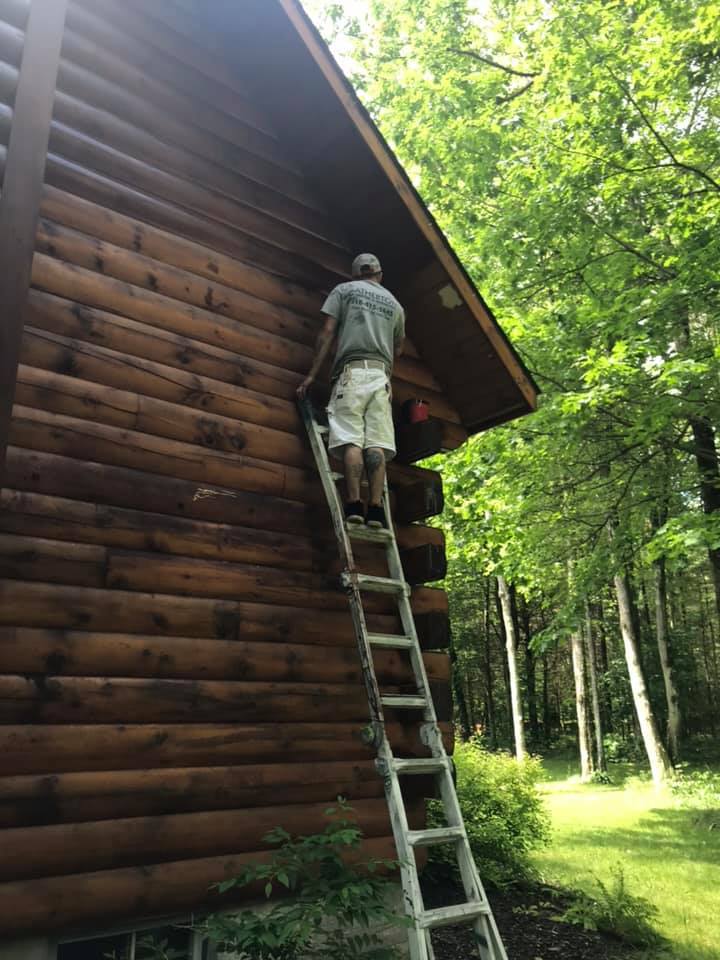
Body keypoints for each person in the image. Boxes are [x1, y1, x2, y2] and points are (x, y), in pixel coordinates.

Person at [297, 253, 405, 528]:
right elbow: (398, 347)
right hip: (381, 378)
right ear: (379, 274)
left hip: (352, 373)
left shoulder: (344, 290)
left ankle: (355, 505)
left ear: (357, 273)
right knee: (377, 443)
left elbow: (327, 332)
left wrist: (311, 375)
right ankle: (377, 510)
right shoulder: (395, 305)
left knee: (352, 440)